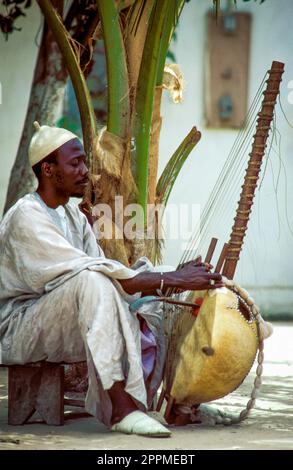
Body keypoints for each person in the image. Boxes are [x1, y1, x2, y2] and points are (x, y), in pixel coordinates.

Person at [0, 122, 223, 437]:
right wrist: (171, 277)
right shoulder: (26, 216)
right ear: (49, 170)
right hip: (19, 328)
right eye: (74, 162)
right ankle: (120, 410)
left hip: (63, 321)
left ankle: (170, 402)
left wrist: (169, 279)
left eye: (84, 162)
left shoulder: (74, 216)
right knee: (92, 281)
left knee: (148, 303)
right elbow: (93, 274)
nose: (85, 171)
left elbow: (112, 274)